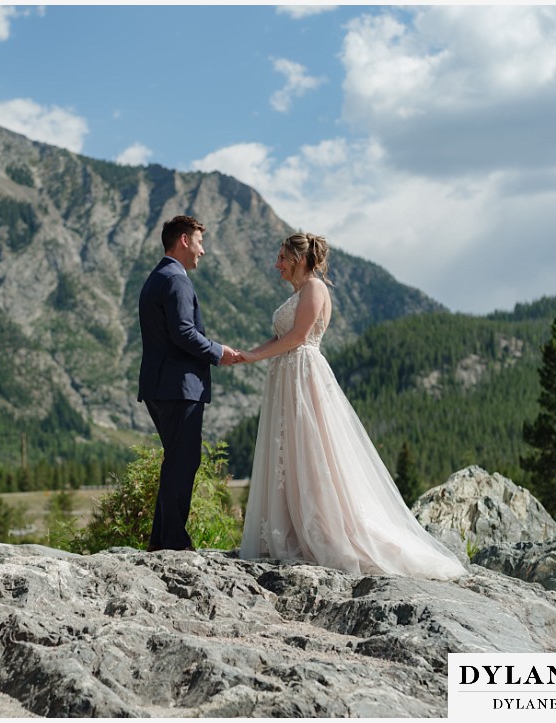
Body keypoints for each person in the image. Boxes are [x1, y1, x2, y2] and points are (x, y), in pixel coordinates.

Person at [235, 232, 466, 580]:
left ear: (299, 259)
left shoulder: (314, 289)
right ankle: (291, 529)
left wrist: (253, 358)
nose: (277, 264)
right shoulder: (299, 293)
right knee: (290, 452)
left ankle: (325, 532)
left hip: (302, 373)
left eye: (282, 258)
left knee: (311, 452)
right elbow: (282, 337)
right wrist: (248, 355)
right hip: (287, 372)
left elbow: (298, 338)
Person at [138, 215, 241, 551]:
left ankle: (161, 541)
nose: (203, 251)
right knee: (183, 462)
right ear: (183, 240)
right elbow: (183, 332)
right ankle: (173, 542)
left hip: (160, 385)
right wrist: (217, 352)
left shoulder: (157, 277)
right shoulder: (177, 280)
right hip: (179, 387)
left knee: (177, 461)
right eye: (199, 242)